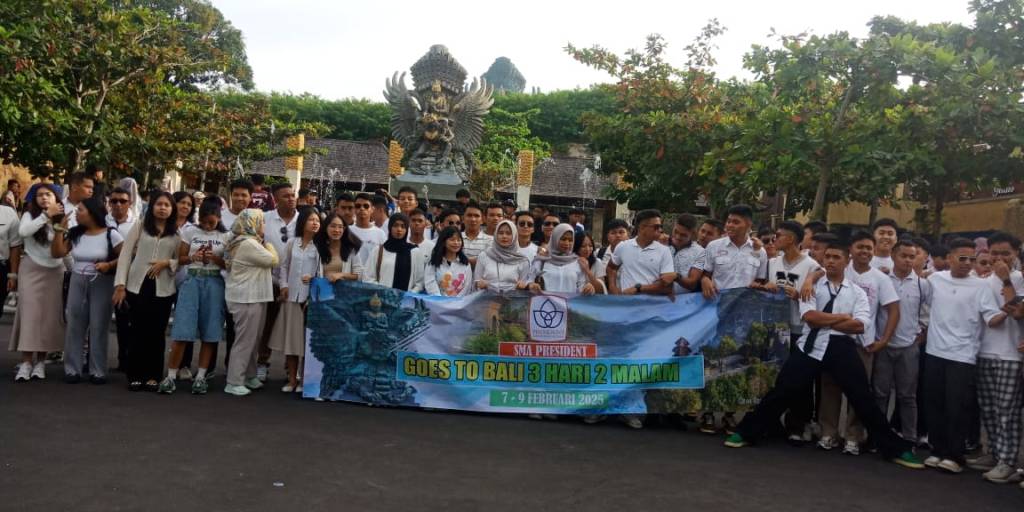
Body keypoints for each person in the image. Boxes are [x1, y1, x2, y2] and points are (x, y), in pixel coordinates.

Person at [724, 239, 923, 470]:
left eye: (836, 257)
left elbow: (860, 326)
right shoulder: (811, 288)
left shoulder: (857, 292)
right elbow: (810, 318)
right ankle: (747, 432)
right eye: (827, 257)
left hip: (842, 347)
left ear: (846, 261)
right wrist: (843, 318)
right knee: (783, 390)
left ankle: (895, 449)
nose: (830, 261)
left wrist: (828, 321)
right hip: (811, 345)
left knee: (863, 398)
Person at [922, 238, 1003, 473]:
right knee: (934, 403)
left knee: (956, 406)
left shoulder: (981, 286)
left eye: (972, 259)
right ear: (949, 258)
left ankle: (955, 456)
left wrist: (1008, 311)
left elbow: (991, 317)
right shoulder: (935, 280)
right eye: (962, 258)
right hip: (935, 350)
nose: (967, 263)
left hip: (963, 355)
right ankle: (937, 450)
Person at [818, 231, 900, 455]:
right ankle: (828, 433)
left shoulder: (880, 278)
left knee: (859, 391)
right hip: (834, 340)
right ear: (850, 251)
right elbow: (817, 275)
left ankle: (853, 436)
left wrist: (884, 340)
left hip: (864, 343)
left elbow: (893, 310)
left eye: (868, 248)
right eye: (860, 247)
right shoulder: (840, 270)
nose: (864, 251)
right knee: (830, 387)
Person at [700, 204, 767, 433]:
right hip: (716, 314)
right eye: (728, 221)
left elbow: (761, 282)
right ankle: (708, 412)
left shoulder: (759, 252)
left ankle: (730, 414)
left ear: (748, 224)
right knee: (713, 361)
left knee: (736, 363)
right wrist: (705, 281)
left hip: (743, 318)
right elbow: (706, 274)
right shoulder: (714, 246)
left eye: (736, 222)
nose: (730, 225)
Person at [605, 209, 675, 429]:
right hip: (625, 315)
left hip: (651, 316)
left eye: (660, 226)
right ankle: (611, 407)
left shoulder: (664, 251)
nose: (660, 230)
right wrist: (614, 290)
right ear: (642, 227)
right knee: (622, 360)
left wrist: (638, 288)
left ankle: (633, 410)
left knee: (642, 362)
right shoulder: (624, 247)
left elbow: (666, 284)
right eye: (656, 226)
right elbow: (611, 267)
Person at [966, 232, 1024, 482]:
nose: (999, 258)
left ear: (1016, 254)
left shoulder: (1020, 279)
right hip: (984, 351)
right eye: (995, 253)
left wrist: (1005, 279)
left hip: (1011, 355)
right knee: (988, 408)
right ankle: (994, 453)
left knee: (1007, 410)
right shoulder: (981, 281)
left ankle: (1008, 461)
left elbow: (1017, 312)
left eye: (1006, 253)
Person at [159, 196, 231, 395]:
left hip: (215, 282)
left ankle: (200, 376)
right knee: (182, 328)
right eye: (204, 222)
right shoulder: (190, 231)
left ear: (219, 218)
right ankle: (171, 375)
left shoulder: (226, 236)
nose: (207, 226)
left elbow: (229, 264)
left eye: (211, 222)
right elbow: (180, 258)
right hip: (192, 280)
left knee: (210, 330)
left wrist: (214, 257)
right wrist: (193, 257)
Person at [50, 196, 122, 384]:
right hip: (77, 279)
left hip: (102, 281)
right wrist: (59, 230)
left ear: (92, 213)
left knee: (99, 325)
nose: (76, 213)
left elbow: (126, 257)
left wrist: (109, 264)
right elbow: (57, 253)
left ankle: (97, 370)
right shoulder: (76, 233)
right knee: (75, 324)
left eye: (80, 210)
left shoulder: (111, 234)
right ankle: (72, 369)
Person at [113, 191, 180, 392]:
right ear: (151, 207)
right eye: (159, 204)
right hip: (137, 285)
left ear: (172, 209)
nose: (162, 208)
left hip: (163, 288)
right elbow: (125, 255)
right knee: (137, 330)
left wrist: (166, 263)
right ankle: (135, 375)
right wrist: (120, 285)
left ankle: (153, 376)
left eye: (167, 205)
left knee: (157, 333)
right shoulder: (140, 226)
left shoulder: (176, 233)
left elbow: (181, 259)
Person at [763, 220, 820, 442]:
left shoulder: (811, 266)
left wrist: (798, 294)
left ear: (792, 239)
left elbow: (817, 292)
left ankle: (798, 424)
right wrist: (767, 288)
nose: (774, 239)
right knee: (774, 376)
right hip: (777, 326)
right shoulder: (772, 263)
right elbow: (763, 289)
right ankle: (771, 422)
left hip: (799, 328)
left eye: (778, 235)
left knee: (800, 379)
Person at [871, 239, 931, 446]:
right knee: (880, 394)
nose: (907, 260)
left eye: (911, 257)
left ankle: (909, 439)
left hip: (908, 347)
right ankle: (878, 437)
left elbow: (927, 312)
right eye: (903, 256)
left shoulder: (922, 284)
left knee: (907, 396)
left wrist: (920, 333)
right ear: (893, 256)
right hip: (883, 345)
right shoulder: (882, 280)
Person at [10, 183, 64, 382]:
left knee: (48, 317)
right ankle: (26, 363)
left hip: (55, 272)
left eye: (48, 194)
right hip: (31, 269)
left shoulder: (62, 217)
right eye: (40, 195)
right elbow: (24, 232)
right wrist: (45, 216)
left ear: (56, 198)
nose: (44, 198)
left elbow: (66, 247)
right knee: (30, 316)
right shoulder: (29, 215)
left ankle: (40, 363)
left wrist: (74, 269)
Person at [224, 209, 278, 396]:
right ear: (252, 223)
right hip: (246, 298)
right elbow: (273, 260)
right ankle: (234, 381)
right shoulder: (248, 243)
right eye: (261, 221)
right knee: (245, 341)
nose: (264, 225)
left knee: (254, 340)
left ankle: (250, 376)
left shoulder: (248, 241)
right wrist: (269, 245)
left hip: (255, 296)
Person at [271, 207, 321, 393]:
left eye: (317, 220)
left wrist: (313, 281)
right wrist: (283, 285)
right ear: (303, 222)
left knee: (307, 343)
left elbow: (321, 272)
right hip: (291, 297)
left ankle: (304, 380)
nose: (315, 223)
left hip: (310, 300)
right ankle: (292, 379)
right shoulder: (292, 242)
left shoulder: (320, 246)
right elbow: (284, 266)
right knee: (291, 342)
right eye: (311, 220)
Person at [258, 182, 299, 381]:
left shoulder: (304, 219)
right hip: (270, 280)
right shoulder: (264, 219)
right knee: (267, 324)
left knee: (294, 327)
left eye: (292, 195)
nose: (291, 199)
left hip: (298, 283)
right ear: (275, 199)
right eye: (285, 196)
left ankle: (291, 369)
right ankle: (262, 362)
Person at [363, 213, 423, 292]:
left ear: (407, 229)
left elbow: (419, 282)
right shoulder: (378, 250)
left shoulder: (414, 252)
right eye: (395, 225)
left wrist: (410, 294)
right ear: (390, 227)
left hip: (406, 298)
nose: (399, 229)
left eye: (403, 226)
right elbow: (368, 277)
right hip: (382, 297)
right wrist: (382, 291)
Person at [529, 224, 595, 295]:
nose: (567, 243)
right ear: (555, 238)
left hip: (569, 302)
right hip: (545, 301)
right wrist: (532, 285)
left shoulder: (578, 262)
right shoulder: (542, 260)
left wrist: (588, 289)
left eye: (570, 240)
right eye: (563, 239)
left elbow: (581, 287)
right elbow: (529, 281)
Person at [474, 219, 531, 292]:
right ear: (496, 235)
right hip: (486, 297)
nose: (504, 236)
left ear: (514, 236)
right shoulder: (484, 256)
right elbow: (476, 282)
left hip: (512, 298)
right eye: (501, 233)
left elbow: (524, 287)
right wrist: (479, 284)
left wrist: (522, 286)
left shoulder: (522, 260)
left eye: (508, 233)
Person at [314, 212, 363, 285]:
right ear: (326, 228)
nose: (336, 230)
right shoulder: (319, 248)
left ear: (344, 229)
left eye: (340, 227)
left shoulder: (351, 250)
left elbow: (359, 275)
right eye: (333, 226)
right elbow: (314, 272)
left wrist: (342, 275)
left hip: (344, 291)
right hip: (323, 290)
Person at [424, 226, 473, 297]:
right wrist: (440, 300)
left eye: (459, 240)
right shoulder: (433, 262)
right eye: (452, 240)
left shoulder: (465, 264)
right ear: (444, 242)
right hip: (437, 302)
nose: (456, 243)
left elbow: (467, 287)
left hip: (460, 303)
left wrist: (456, 301)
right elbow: (430, 284)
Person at [669, 214, 706, 295]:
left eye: (683, 235)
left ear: (693, 233)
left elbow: (692, 284)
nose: (677, 237)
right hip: (654, 296)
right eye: (675, 231)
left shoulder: (700, 252)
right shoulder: (662, 243)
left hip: (682, 300)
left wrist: (676, 277)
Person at [349, 193, 387, 263]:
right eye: (358, 206)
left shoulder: (380, 233)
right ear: (354, 209)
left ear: (372, 209)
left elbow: (384, 257)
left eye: (366, 206)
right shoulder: (347, 231)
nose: (362, 208)